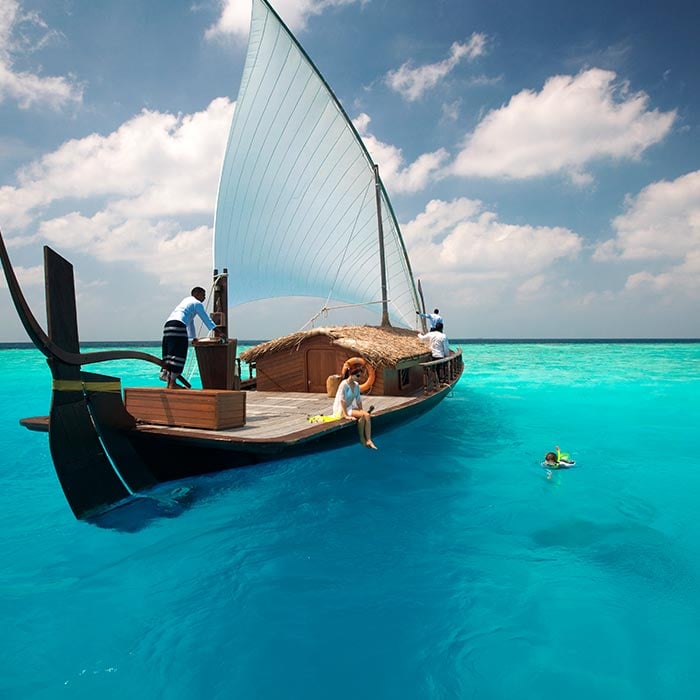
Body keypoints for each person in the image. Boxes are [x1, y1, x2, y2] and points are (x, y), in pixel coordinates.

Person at [161, 287, 219, 389]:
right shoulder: (197, 303)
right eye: (203, 295)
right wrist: (217, 331)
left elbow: (190, 322)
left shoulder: (186, 301)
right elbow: (206, 319)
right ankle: (172, 383)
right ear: (196, 294)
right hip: (178, 326)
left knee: (170, 352)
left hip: (168, 325)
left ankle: (167, 377)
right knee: (179, 352)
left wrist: (193, 338)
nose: (204, 298)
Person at [333, 360, 377, 449]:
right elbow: (342, 401)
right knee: (364, 416)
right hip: (341, 409)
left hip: (349, 407)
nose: (359, 378)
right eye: (357, 376)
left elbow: (358, 400)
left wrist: (361, 410)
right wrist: (345, 415)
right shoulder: (344, 384)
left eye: (360, 376)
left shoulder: (356, 385)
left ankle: (367, 440)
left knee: (366, 415)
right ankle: (363, 439)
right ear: (351, 374)